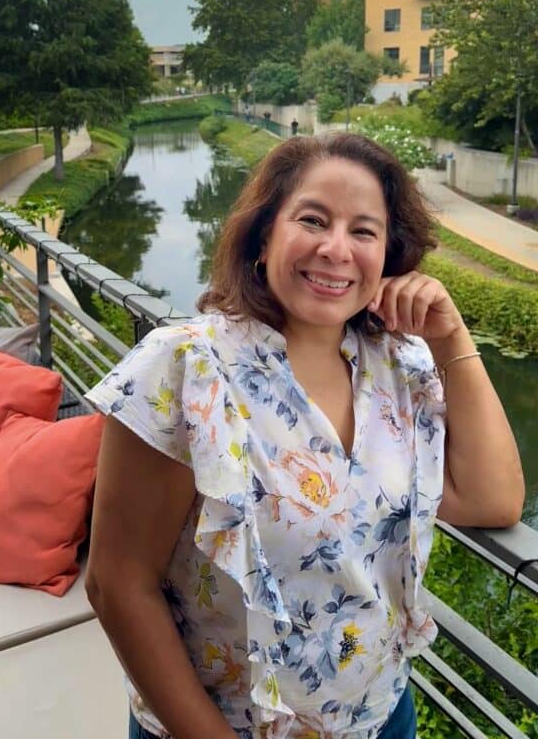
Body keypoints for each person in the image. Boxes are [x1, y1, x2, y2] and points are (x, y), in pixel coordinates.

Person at [84, 132, 524, 739]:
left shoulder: (404, 366)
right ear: (263, 237)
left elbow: (492, 499)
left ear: (389, 255)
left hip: (381, 716)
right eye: (313, 220)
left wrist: (453, 340)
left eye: (363, 231)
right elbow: (118, 583)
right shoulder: (187, 369)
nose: (336, 249)